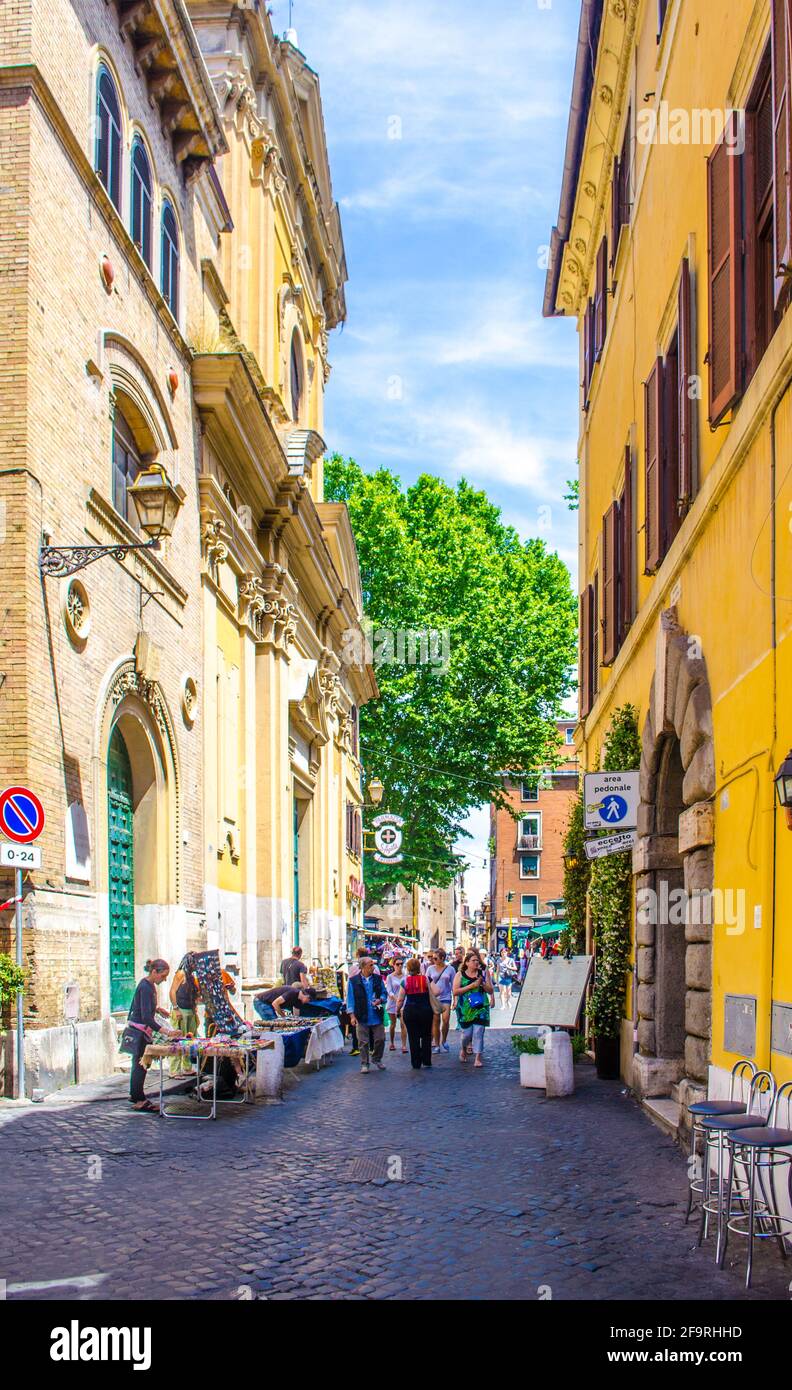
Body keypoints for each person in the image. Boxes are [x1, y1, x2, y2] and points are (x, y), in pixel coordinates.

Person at [126, 959, 171, 1112]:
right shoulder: (146, 987)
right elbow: (145, 1016)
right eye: (163, 976)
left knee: (141, 1064)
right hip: (140, 1031)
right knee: (140, 1064)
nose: (164, 979)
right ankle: (138, 1098)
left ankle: (136, 1095)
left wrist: (157, 1009)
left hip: (143, 1030)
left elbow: (143, 1005)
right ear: (154, 972)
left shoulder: (148, 985)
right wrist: (165, 1031)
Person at [395, 958, 439, 1070]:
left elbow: (400, 999)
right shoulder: (426, 979)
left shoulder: (405, 981)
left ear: (408, 968)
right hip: (425, 1010)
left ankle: (416, 1063)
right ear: (419, 967)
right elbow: (437, 991)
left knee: (413, 1037)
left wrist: (397, 1010)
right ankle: (426, 1060)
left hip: (410, 1011)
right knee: (426, 1036)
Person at [453, 949, 494, 1068]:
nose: (476, 962)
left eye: (477, 960)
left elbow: (490, 990)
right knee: (466, 1034)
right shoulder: (460, 974)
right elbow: (455, 991)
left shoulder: (483, 973)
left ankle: (478, 1058)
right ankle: (464, 1048)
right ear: (467, 962)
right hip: (465, 1008)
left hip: (481, 1007)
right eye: (473, 960)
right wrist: (472, 985)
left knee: (479, 1031)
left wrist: (482, 984)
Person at [347, 957, 387, 1073]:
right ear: (363, 967)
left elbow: (384, 993)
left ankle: (376, 1058)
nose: (373, 967)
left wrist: (380, 999)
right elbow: (350, 999)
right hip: (361, 1014)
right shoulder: (353, 981)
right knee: (363, 1042)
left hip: (376, 1014)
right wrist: (352, 1016)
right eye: (370, 965)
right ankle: (365, 1063)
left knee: (380, 1039)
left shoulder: (377, 979)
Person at [168, 952, 200, 1076]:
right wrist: (176, 1009)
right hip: (180, 1011)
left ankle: (187, 1067)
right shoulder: (180, 974)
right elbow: (172, 991)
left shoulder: (191, 976)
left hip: (190, 1011)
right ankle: (174, 1070)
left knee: (189, 1040)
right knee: (178, 1040)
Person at [426, 947, 457, 1054]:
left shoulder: (450, 969)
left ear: (442, 958)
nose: (433, 960)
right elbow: (427, 983)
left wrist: (455, 999)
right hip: (434, 999)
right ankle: (437, 1044)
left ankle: (444, 1040)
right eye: (432, 958)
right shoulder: (430, 969)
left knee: (446, 1020)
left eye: (435, 958)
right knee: (435, 1021)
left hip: (446, 997)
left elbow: (454, 985)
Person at [385, 956, 408, 1053]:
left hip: (404, 1003)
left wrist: (402, 1000)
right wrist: (397, 999)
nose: (399, 966)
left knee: (403, 1024)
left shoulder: (406, 976)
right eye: (397, 964)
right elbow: (389, 991)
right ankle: (392, 1042)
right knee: (393, 1024)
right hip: (392, 1003)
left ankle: (404, 1045)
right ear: (393, 965)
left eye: (401, 964)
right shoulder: (390, 977)